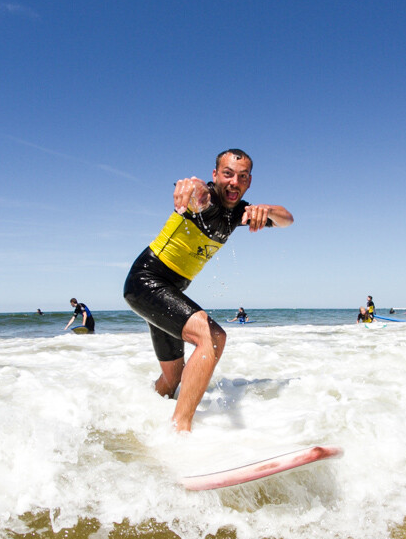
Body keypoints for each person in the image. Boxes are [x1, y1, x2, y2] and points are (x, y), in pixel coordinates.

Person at [123, 149, 293, 432]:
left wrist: (268, 210)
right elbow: (195, 191)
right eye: (227, 174)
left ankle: (137, 420)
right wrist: (190, 186)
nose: (233, 182)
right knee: (213, 337)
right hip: (146, 281)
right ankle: (180, 430)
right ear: (215, 175)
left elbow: (288, 219)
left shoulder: (241, 212)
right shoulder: (204, 199)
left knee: (171, 379)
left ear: (249, 182)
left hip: (169, 293)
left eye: (241, 177)